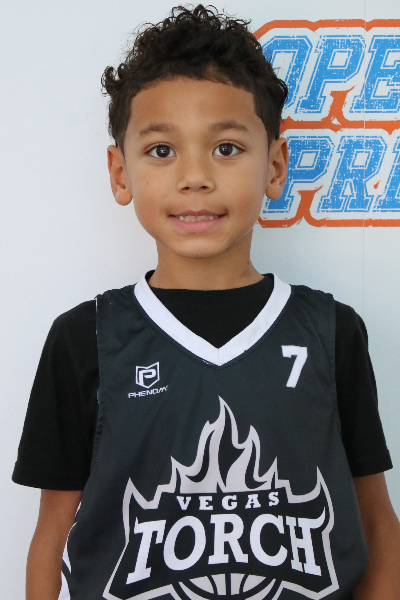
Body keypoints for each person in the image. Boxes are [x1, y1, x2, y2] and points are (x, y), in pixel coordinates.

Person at [12, 5, 400, 600]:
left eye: (226, 147)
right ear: (120, 173)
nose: (195, 176)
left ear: (274, 167)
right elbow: (50, 537)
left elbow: (377, 523)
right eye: (161, 151)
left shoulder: (331, 332)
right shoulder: (84, 339)